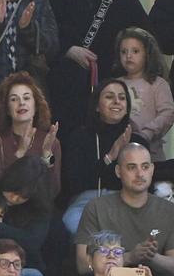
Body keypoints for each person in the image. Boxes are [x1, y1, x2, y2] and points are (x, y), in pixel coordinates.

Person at [48, 0, 152, 131]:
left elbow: (147, 42)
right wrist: (68, 50)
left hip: (115, 92)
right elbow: (45, 42)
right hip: (67, 93)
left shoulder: (126, 2)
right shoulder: (59, 2)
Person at [75, 142, 174, 276]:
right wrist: (129, 257)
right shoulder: (96, 208)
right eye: (132, 167)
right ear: (118, 171)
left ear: (152, 169)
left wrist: (151, 256)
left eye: (145, 167)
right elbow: (83, 265)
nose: (139, 174)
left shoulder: (168, 209)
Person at [60, 79, 150, 235]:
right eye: (109, 97)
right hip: (85, 204)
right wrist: (110, 156)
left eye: (122, 98)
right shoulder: (79, 137)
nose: (117, 101)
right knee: (77, 229)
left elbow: (142, 184)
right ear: (96, 106)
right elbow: (76, 183)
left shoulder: (137, 142)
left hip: (126, 205)